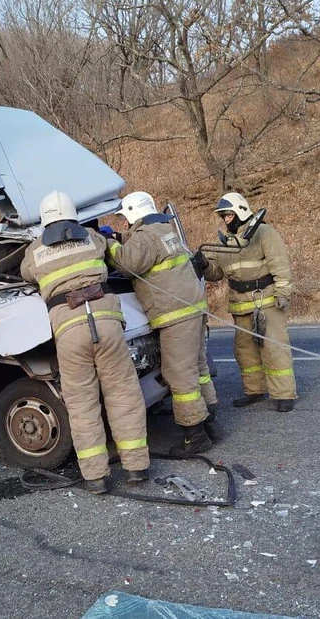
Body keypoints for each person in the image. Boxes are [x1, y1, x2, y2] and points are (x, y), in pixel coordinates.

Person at [21, 191, 150, 494]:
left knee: (81, 403)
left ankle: (95, 476)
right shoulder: (92, 237)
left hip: (69, 329)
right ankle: (136, 466)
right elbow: (110, 249)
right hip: (106, 322)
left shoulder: (36, 249)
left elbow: (26, 274)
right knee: (123, 393)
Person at [106, 191, 221, 456]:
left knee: (179, 375)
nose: (125, 225)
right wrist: (121, 238)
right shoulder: (164, 229)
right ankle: (211, 423)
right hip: (191, 310)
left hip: (175, 315)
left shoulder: (146, 237)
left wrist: (109, 243)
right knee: (198, 368)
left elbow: (125, 263)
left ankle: (195, 436)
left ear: (134, 213)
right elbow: (141, 249)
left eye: (125, 219)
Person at [194, 192, 297, 412]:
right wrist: (202, 264)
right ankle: (254, 391)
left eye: (228, 214)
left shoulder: (264, 233)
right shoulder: (227, 242)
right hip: (240, 305)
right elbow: (216, 273)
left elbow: (280, 264)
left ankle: (283, 394)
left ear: (240, 211)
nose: (225, 219)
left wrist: (283, 294)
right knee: (245, 350)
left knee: (274, 347)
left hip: (266, 300)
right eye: (223, 216)